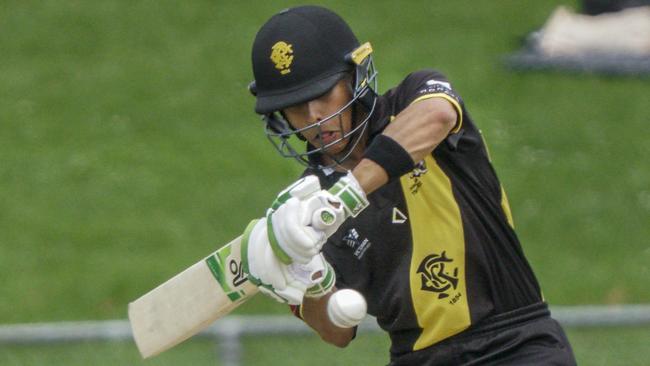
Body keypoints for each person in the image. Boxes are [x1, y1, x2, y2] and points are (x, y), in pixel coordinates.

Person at [241, 5, 577, 365]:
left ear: (354, 77)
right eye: (295, 107)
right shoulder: (307, 203)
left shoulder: (410, 100)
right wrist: (303, 279)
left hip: (516, 343)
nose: (314, 118)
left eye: (324, 94)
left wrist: (345, 196)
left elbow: (438, 115)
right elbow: (336, 332)